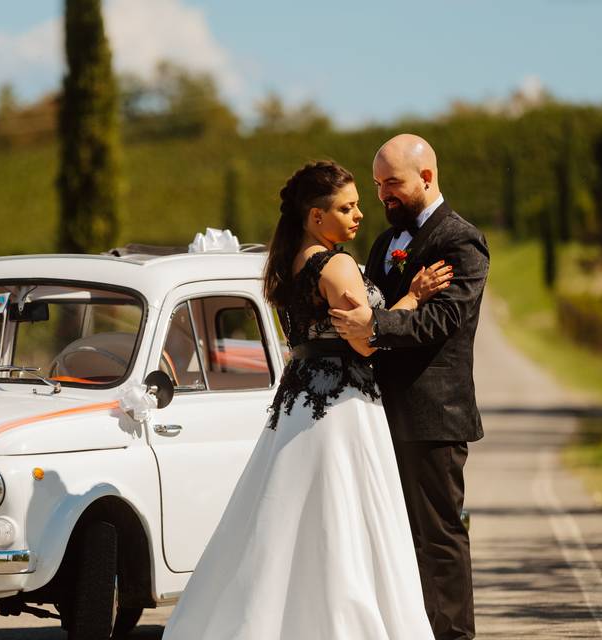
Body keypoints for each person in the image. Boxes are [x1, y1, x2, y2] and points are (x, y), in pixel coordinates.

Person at [162, 160, 453, 639]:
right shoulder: (336, 264)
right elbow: (365, 340)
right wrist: (414, 297)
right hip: (343, 408)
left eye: (359, 204)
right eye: (347, 207)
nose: (360, 214)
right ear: (317, 216)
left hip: (298, 405)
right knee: (347, 524)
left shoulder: (285, 262)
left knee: (288, 520)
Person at [329, 134, 490, 640]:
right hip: (379, 412)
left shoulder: (459, 240)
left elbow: (443, 320)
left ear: (426, 177)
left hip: (431, 414)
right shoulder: (383, 243)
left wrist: (371, 328)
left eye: (391, 183)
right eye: (377, 186)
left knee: (438, 537)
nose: (383, 196)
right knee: (393, 537)